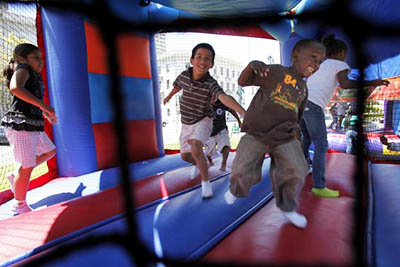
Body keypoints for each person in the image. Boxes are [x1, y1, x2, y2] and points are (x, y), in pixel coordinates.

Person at [224, 39, 326, 229]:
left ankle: (286, 206)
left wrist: (296, 141)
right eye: (313, 58)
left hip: (284, 137)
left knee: (298, 168)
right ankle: (237, 190)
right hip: (257, 133)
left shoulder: (303, 89)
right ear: (295, 55)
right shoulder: (276, 72)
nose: (316, 64)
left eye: (320, 61)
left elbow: (296, 119)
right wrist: (251, 66)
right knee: (242, 168)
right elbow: (243, 81)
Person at [300, 34, 389, 198]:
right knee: (321, 144)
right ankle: (319, 186)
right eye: (346, 54)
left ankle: (303, 168)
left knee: (305, 139)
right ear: (341, 53)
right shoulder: (340, 63)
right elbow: (345, 83)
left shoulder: (322, 64)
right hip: (313, 105)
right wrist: (371, 82)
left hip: (300, 102)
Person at [163, 43, 245, 199]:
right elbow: (176, 86)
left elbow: (224, 98)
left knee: (195, 148)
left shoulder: (211, 84)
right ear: (192, 60)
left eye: (207, 59)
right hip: (186, 122)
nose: (202, 61)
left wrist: (243, 113)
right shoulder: (183, 76)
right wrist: (169, 96)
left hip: (204, 119)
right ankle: (199, 164)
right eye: (199, 57)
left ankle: (206, 183)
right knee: (185, 156)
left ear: (211, 64)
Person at [1, 43, 57, 215]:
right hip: (21, 125)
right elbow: (15, 88)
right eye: (36, 58)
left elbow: (31, 100)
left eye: (41, 58)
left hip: (33, 124)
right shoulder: (23, 68)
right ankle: (19, 205)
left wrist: (46, 112)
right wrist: (43, 105)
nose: (40, 62)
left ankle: (16, 175)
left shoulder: (34, 76)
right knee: (27, 165)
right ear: (21, 59)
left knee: (50, 151)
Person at [204, 98, 242, 171]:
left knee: (225, 145)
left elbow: (232, 110)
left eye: (213, 98)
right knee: (209, 152)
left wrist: (238, 121)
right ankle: (210, 161)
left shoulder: (222, 102)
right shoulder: (205, 104)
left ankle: (223, 163)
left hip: (221, 129)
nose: (212, 100)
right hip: (209, 132)